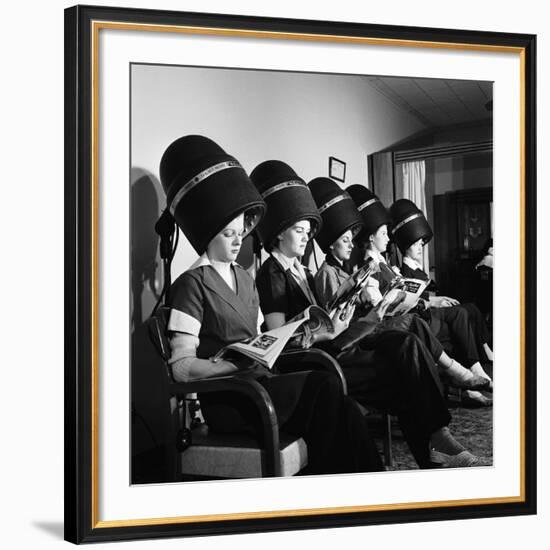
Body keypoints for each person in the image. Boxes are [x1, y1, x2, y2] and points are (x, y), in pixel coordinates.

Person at [158, 135, 383, 475]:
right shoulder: (191, 284)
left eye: (240, 232)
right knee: (324, 389)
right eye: (227, 234)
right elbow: (182, 368)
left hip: (262, 383)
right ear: (207, 232)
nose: (237, 241)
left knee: (346, 408)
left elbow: (264, 336)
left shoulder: (246, 280)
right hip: (232, 398)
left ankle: (368, 495)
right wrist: (234, 367)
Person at [251, 166, 480, 468]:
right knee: (404, 362)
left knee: (406, 346)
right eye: (299, 231)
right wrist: (323, 331)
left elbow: (320, 317)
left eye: (309, 232)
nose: (307, 238)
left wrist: (340, 314)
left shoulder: (302, 272)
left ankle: (436, 444)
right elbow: (278, 338)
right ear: (279, 232)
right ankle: (435, 447)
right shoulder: (271, 275)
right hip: (318, 360)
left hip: (335, 346)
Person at [347, 186, 491, 406]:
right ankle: (468, 376)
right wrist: (404, 298)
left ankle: (471, 374)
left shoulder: (384, 263)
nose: (388, 238)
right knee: (457, 316)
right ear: (371, 238)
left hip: (410, 313)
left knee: (461, 312)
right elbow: (378, 305)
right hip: (399, 321)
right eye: (384, 233)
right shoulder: (370, 266)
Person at [389, 199, 493, 405]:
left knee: (468, 308)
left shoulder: (417, 269)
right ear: (407, 245)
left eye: (421, 244)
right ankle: (475, 370)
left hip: (428, 310)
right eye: (417, 244)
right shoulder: (402, 271)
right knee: (461, 313)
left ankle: (479, 362)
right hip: (421, 316)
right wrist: (434, 299)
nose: (421, 247)